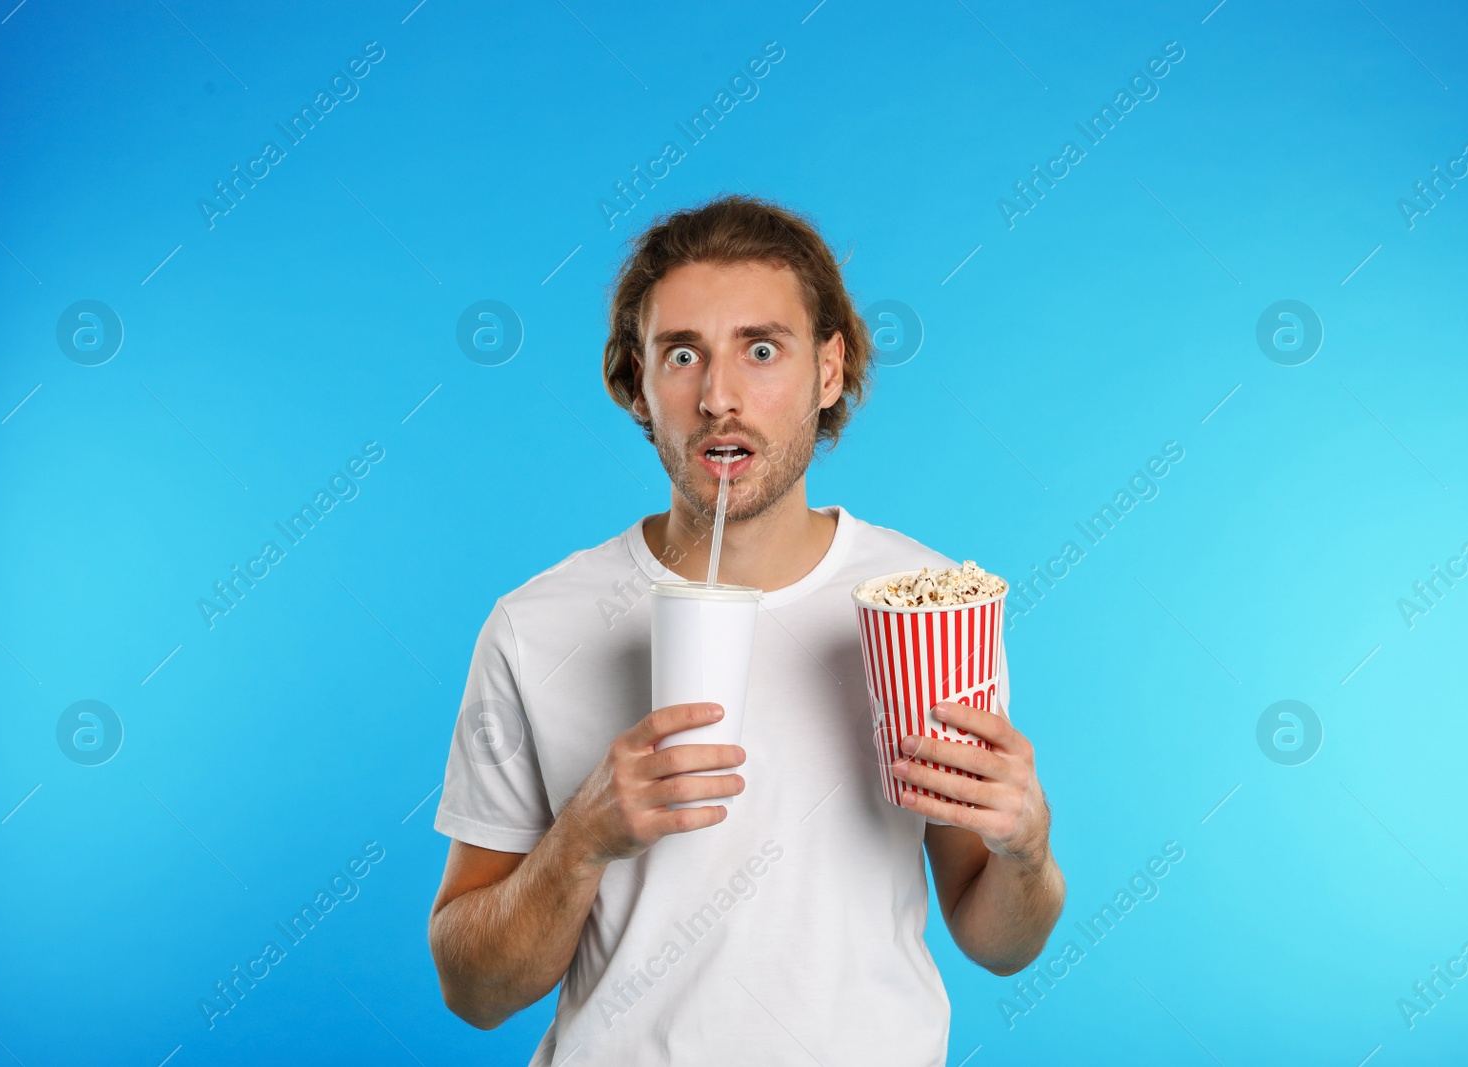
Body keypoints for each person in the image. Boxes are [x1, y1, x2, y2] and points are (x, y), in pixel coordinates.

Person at [429, 194, 1065, 1065]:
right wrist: (580, 840)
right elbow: (471, 989)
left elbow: (998, 941)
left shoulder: (928, 602)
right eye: (682, 354)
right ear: (638, 386)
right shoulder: (537, 625)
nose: (720, 396)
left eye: (761, 350)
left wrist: (1026, 849)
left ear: (829, 369)